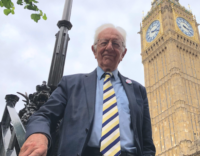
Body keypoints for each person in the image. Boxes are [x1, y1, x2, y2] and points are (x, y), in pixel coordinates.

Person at [19, 24, 156, 156]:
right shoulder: (71, 84)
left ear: (123, 53)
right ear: (94, 50)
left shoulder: (138, 90)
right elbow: (44, 115)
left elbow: (147, 143)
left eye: (116, 43)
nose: (109, 47)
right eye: (103, 42)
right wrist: (38, 135)